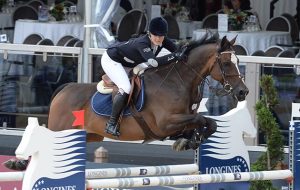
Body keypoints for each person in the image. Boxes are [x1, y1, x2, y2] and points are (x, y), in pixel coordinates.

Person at [101, 17, 184, 136]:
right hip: (112, 60)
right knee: (126, 87)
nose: (158, 38)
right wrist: (175, 56)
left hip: (128, 62)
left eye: (161, 36)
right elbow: (154, 62)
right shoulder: (142, 43)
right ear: (149, 33)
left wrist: (185, 51)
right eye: (155, 35)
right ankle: (111, 124)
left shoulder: (161, 40)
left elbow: (177, 50)